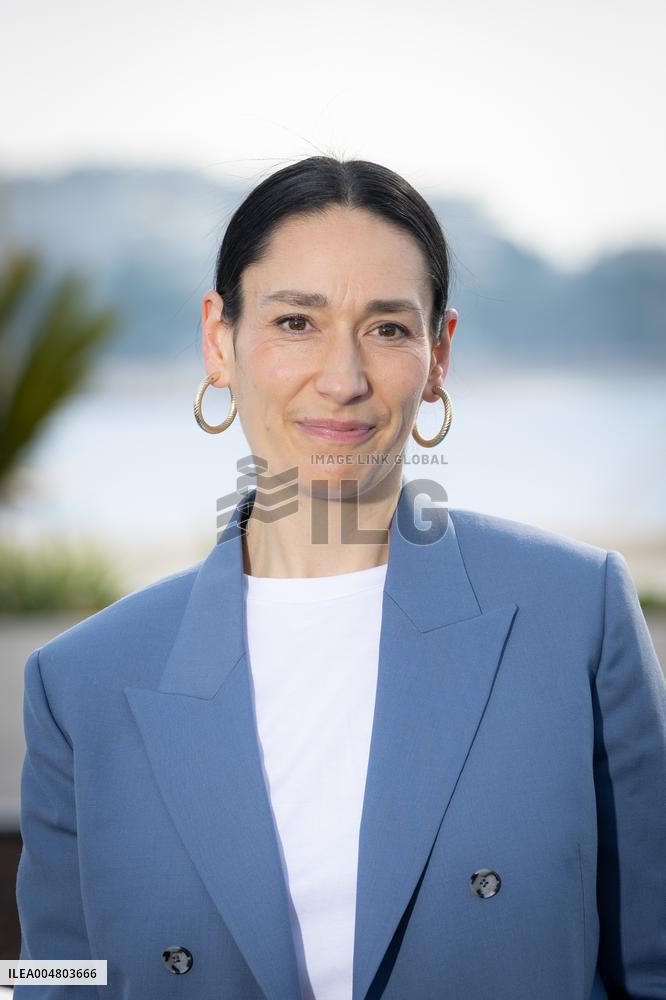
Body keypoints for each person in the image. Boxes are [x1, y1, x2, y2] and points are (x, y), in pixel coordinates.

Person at [14, 155, 666, 1000]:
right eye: (296, 322)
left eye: (388, 328)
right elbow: (46, 979)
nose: (344, 378)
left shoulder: (574, 615)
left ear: (439, 355)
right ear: (220, 339)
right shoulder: (81, 682)